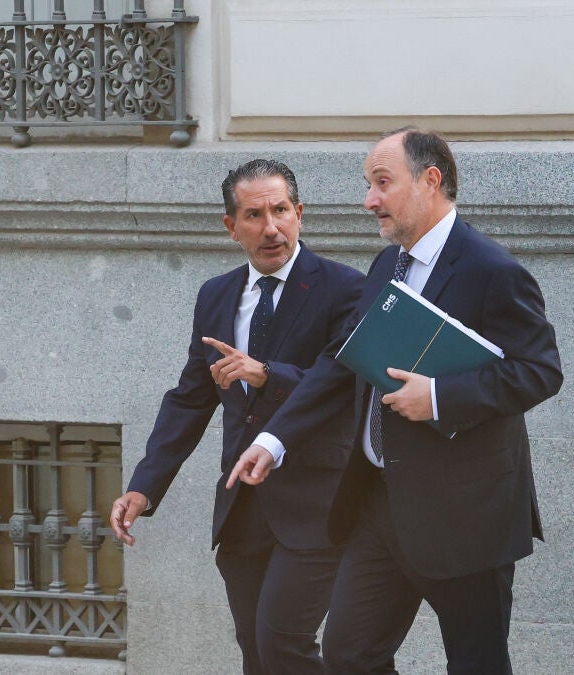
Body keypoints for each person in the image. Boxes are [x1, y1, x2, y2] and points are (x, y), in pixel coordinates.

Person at [227, 127, 563, 674]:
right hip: (379, 505)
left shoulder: (492, 271)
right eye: (369, 185)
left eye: (382, 183)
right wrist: (274, 439)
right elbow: (342, 361)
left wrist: (440, 396)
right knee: (348, 655)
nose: (369, 200)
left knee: (476, 664)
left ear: (430, 180)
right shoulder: (387, 266)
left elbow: (540, 371)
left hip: (466, 514)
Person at [109, 159, 365, 674]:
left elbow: (342, 383)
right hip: (243, 506)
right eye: (254, 215)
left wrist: (267, 374)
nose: (271, 228)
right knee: (255, 648)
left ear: (299, 214)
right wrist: (144, 485)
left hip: (317, 503)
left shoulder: (345, 288)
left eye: (281, 211)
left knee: (283, 642)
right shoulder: (216, 295)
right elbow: (190, 398)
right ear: (231, 227)